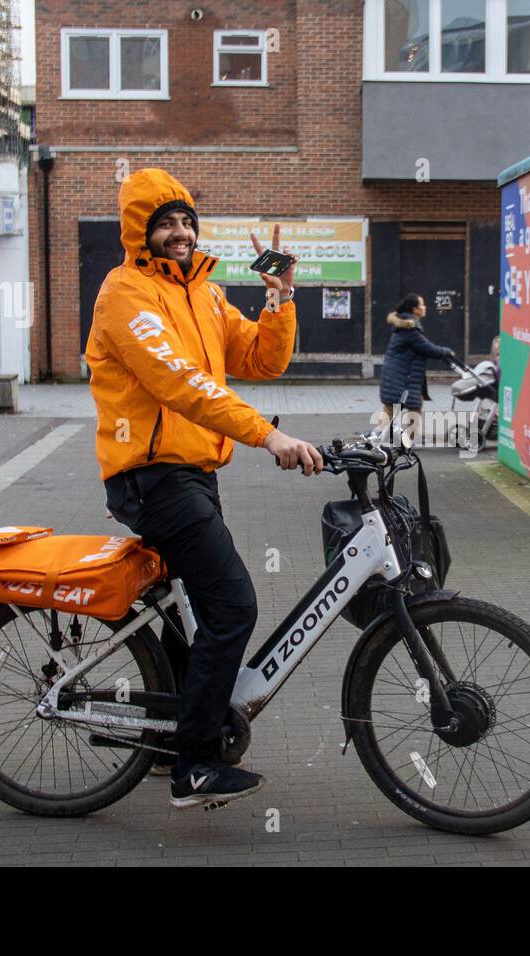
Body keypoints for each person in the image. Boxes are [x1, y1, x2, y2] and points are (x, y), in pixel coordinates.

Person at [85, 168, 322, 810]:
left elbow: (259, 361)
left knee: (194, 616)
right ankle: (195, 765)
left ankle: (167, 744)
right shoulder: (125, 294)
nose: (180, 232)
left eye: (187, 220)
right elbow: (182, 384)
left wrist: (278, 299)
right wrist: (267, 436)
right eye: (165, 222)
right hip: (151, 477)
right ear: (140, 231)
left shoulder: (206, 296)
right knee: (233, 607)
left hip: (193, 473)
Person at [378, 293, 455, 443]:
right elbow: (427, 348)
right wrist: (448, 352)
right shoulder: (410, 328)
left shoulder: (406, 323)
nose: (425, 308)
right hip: (401, 377)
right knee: (411, 409)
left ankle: (381, 438)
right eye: (422, 305)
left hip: (398, 376)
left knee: (393, 409)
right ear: (415, 309)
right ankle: (399, 440)